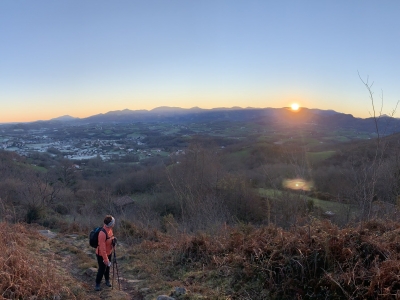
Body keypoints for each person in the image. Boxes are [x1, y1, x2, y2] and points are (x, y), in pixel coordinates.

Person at [95, 215, 117, 291]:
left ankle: (107, 280)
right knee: (102, 269)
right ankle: (97, 284)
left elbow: (111, 239)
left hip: (109, 252)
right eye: (113, 223)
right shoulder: (102, 233)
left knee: (107, 268)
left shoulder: (110, 229)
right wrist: (106, 259)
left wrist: (114, 243)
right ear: (110, 224)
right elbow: (102, 248)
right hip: (101, 254)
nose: (114, 224)